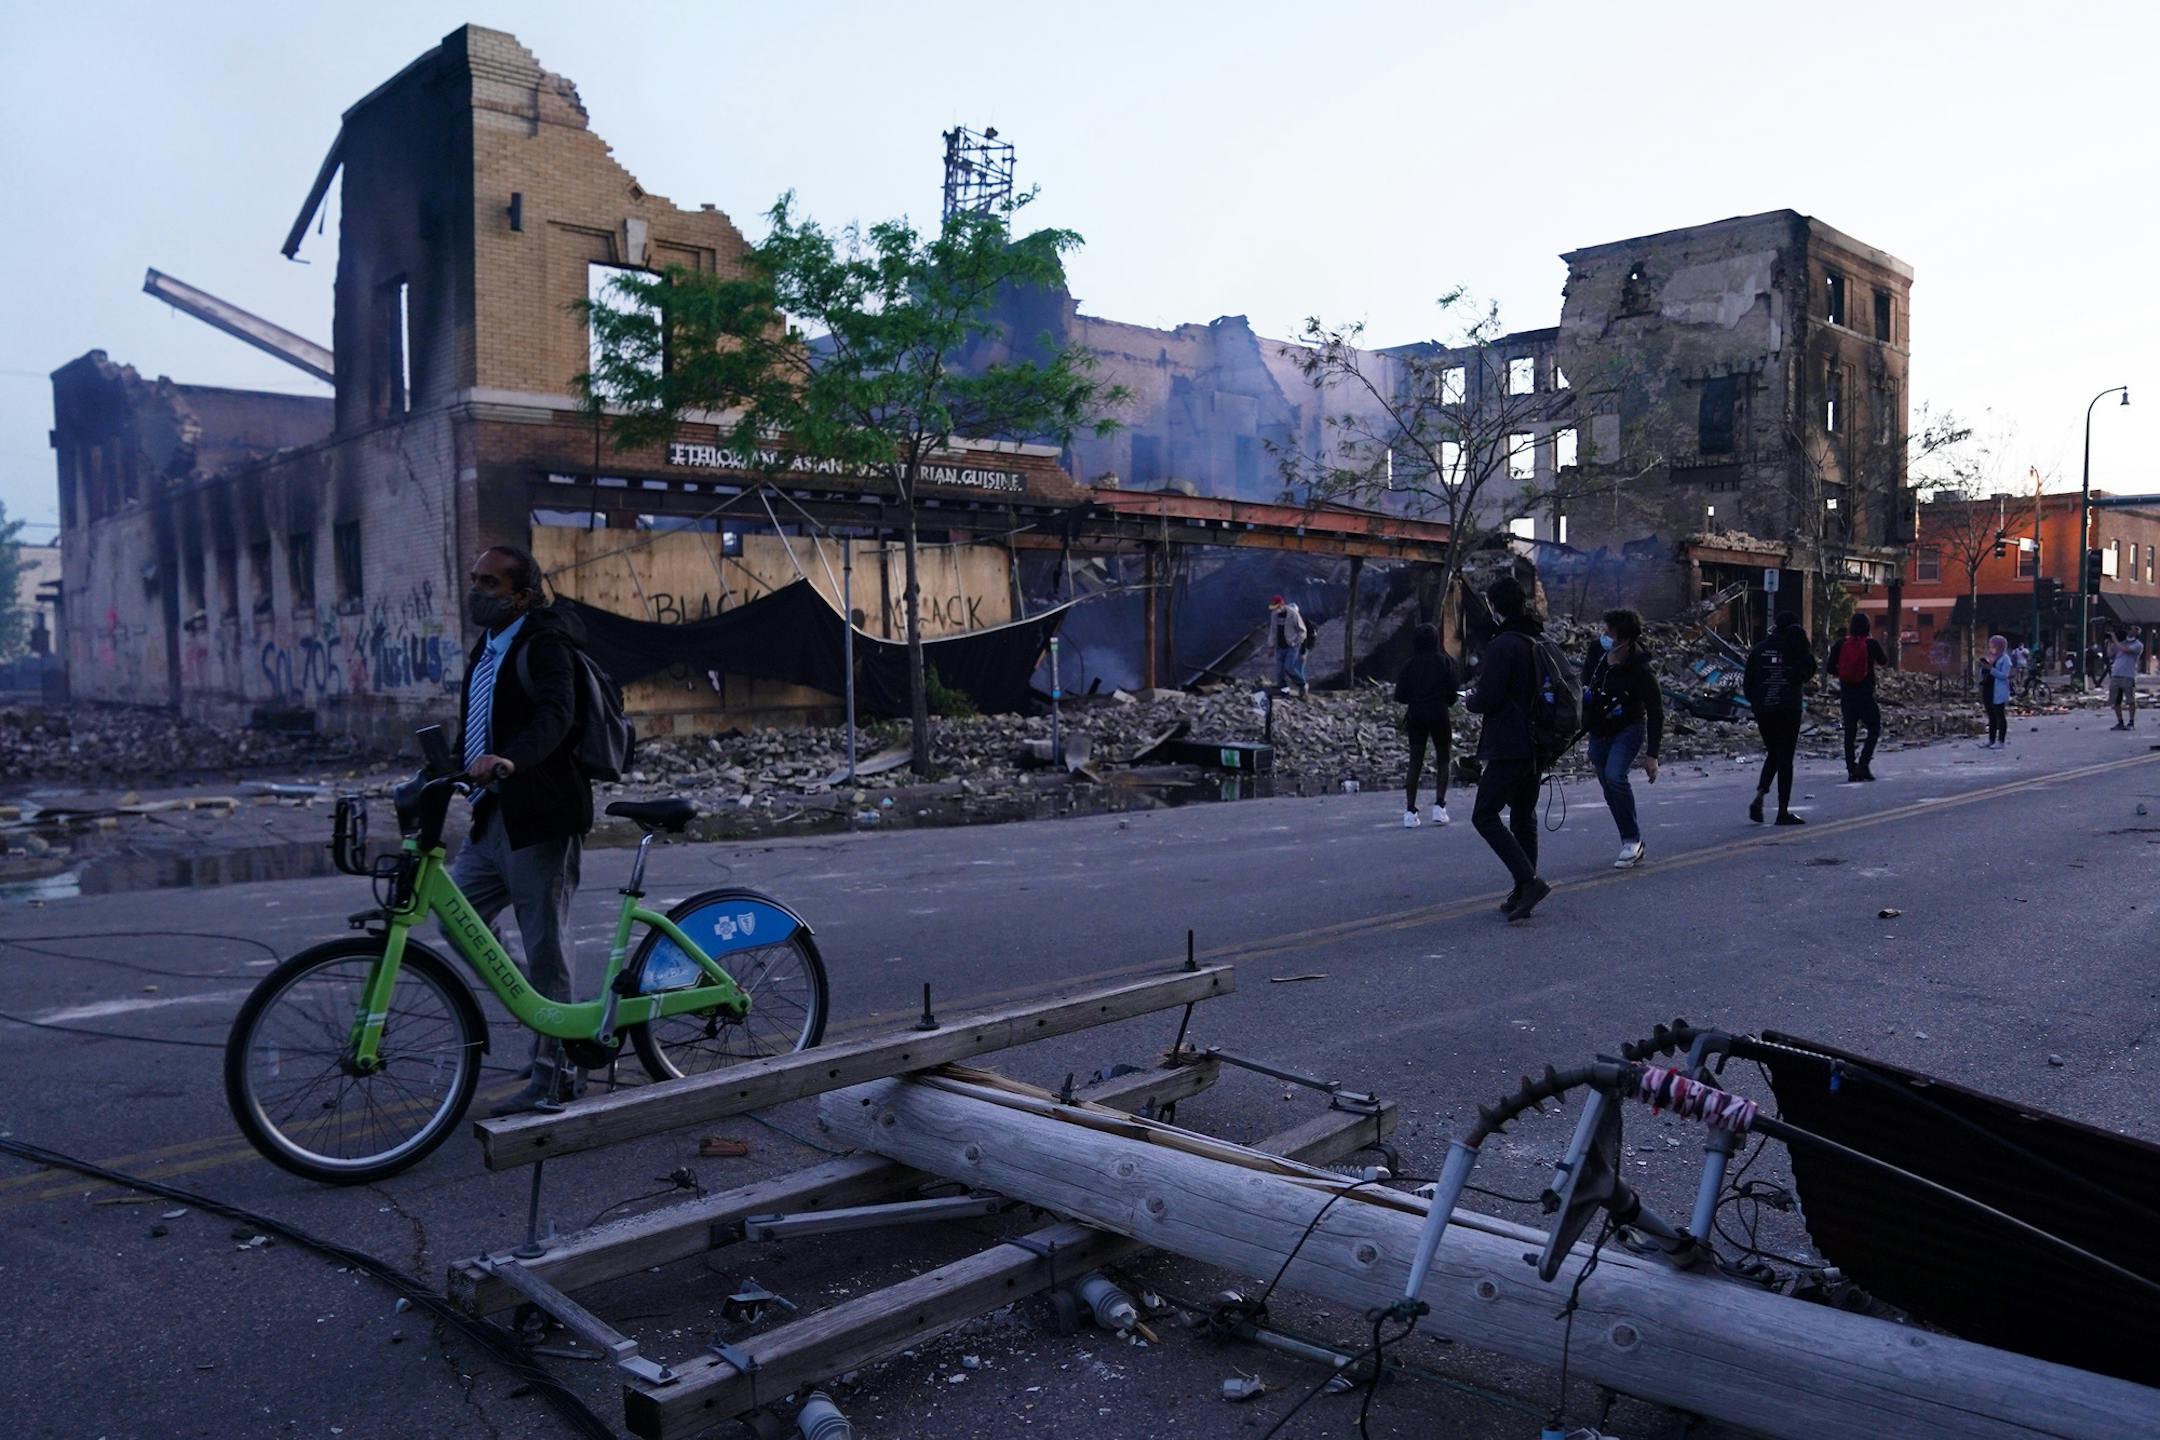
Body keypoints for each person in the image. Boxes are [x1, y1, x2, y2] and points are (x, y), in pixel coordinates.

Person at [452, 544, 596, 1116]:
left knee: (545, 949)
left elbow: (557, 716)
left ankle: (557, 1068)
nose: (476, 591)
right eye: (474, 579)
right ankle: (546, 1027)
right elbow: (479, 722)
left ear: (523, 594)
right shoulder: (486, 646)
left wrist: (511, 759)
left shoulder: (545, 642)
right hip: (491, 816)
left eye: (489, 583)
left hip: (540, 813)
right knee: (461, 920)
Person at [1464, 576, 1552, 919]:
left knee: (1484, 814)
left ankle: (1528, 881)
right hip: (1536, 742)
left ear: (1496, 607)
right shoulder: (1536, 638)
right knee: (1523, 817)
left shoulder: (1504, 645)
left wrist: (1472, 699)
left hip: (1509, 743)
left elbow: (1489, 697)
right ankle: (1522, 889)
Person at [1581, 608, 1663, 868]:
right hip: (1599, 730)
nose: (1605, 638)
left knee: (1616, 776)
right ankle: (1628, 838)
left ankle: (1632, 840)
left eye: (1610, 634)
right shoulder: (1598, 652)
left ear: (1625, 640)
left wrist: (1652, 756)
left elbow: (1656, 711)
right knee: (1609, 789)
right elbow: (1585, 682)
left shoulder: (1640, 669)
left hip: (1628, 729)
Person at [1743, 612, 1816, 825]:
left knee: (1773, 753)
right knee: (1785, 759)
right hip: (1789, 709)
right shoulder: (1797, 649)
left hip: (1764, 709)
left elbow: (1748, 684)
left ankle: (1760, 794)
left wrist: (1758, 702)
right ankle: (1782, 811)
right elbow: (1808, 671)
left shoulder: (1759, 650)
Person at [1394, 624, 1461, 828]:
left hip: (1416, 714)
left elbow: (1400, 696)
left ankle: (1410, 810)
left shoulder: (1409, 665)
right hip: (1439, 712)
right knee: (1443, 758)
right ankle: (1440, 806)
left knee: (1415, 760)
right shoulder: (1445, 662)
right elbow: (1453, 693)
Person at [1826, 613, 1889, 782]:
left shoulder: (1840, 644)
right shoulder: (1871, 644)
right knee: (1874, 728)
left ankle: (1851, 770)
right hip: (1866, 694)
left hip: (1847, 695)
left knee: (1849, 733)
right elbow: (1884, 661)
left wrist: (1845, 673)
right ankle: (1864, 764)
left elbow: (1830, 668)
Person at [1268, 595, 1309, 698]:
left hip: (1292, 646)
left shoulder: (1293, 614)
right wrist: (1271, 646)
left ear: (1282, 605)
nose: (1275, 610)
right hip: (1279, 646)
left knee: (1289, 667)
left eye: (1277, 607)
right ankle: (1284, 691)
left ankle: (1302, 685)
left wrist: (1296, 642)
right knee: (1279, 672)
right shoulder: (1274, 615)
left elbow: (1302, 631)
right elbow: (1273, 631)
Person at [1979, 634, 2013, 747]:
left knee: (1999, 715)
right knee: (1991, 716)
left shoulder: (2005, 659)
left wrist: (1991, 669)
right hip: (1988, 689)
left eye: (1994, 646)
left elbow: (2004, 676)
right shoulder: (1990, 657)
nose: (1991, 648)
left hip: (1998, 690)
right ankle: (1991, 740)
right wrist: (1984, 667)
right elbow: (1984, 672)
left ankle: (2001, 741)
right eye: (1990, 646)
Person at [2107, 626, 2143, 729]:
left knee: (2130, 700)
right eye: (2130, 629)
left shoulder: (2138, 645)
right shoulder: (2121, 642)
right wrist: (2110, 642)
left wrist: (2115, 640)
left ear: (2137, 633)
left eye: (2133, 629)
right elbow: (2110, 654)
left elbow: (2126, 650)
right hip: (2116, 674)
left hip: (2128, 675)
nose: (2130, 630)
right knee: (2116, 700)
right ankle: (2120, 722)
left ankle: (2131, 722)